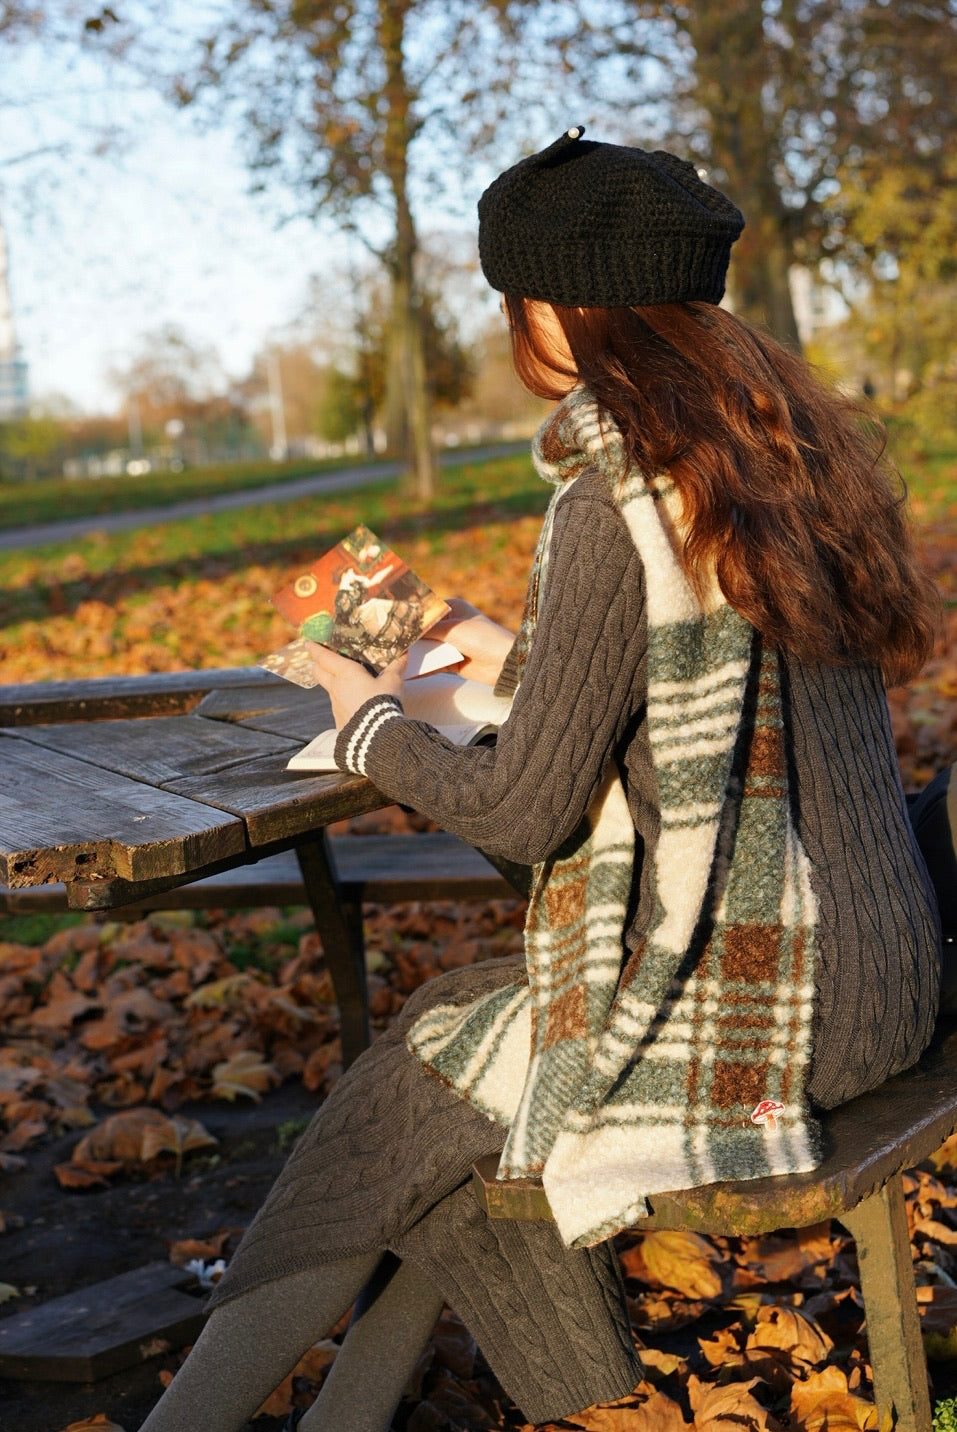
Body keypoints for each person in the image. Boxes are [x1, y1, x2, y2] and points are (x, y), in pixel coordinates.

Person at [139, 128, 942, 1432]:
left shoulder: (616, 496)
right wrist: (525, 664)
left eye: (514, 302)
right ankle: (365, 1413)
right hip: (889, 973)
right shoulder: (785, 453)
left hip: (778, 1010)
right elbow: (730, 709)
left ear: (563, 312)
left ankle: (192, 1421)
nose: (514, 332)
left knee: (404, 1078)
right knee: (447, 1096)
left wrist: (369, 720)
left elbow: (523, 814)